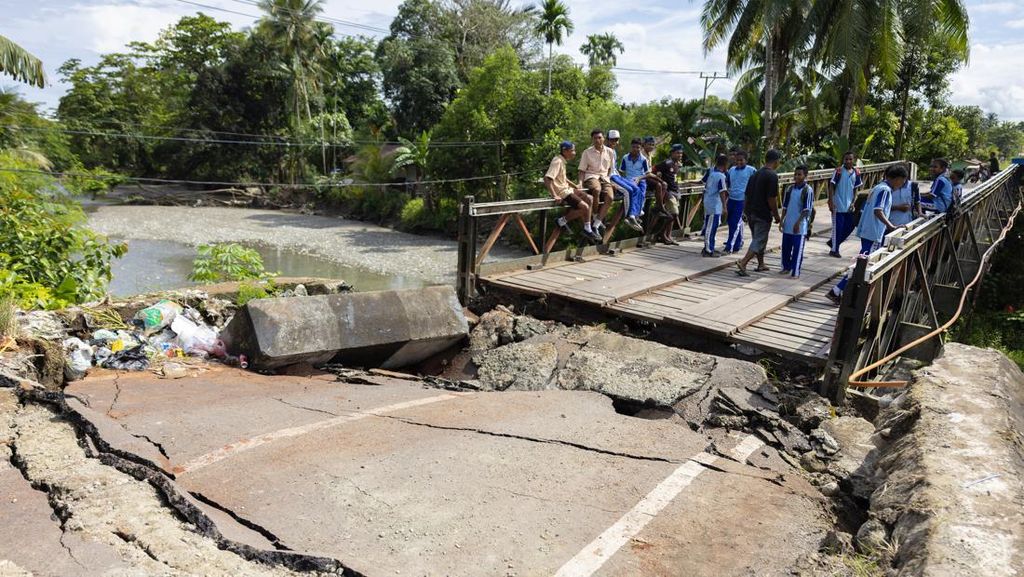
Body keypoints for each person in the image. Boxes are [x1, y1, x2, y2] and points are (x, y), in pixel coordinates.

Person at [826, 165, 909, 305]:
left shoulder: (877, 187)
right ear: (897, 179)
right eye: (902, 181)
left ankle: (840, 291)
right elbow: (878, 210)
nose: (902, 185)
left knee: (862, 262)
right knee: (862, 264)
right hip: (873, 232)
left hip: (867, 230)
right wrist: (891, 226)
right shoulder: (885, 190)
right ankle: (837, 290)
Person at [736, 149, 783, 276]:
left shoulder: (755, 174)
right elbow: (771, 198)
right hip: (762, 213)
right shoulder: (772, 176)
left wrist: (745, 211)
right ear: (776, 161)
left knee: (757, 239)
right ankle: (743, 262)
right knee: (759, 239)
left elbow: (746, 194)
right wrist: (776, 215)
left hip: (751, 212)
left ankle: (761, 264)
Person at [544, 141, 602, 243]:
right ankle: (562, 220)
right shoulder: (557, 161)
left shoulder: (562, 160)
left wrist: (576, 186)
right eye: (572, 150)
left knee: (590, 198)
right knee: (585, 207)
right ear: (565, 151)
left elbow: (564, 178)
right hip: (562, 192)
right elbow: (547, 178)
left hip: (567, 188)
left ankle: (587, 228)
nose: (574, 153)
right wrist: (554, 195)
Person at [577, 129, 615, 234]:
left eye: (600, 137)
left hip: (604, 177)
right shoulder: (587, 152)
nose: (598, 140)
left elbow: (610, 169)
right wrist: (580, 183)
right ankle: (594, 214)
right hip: (591, 176)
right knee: (596, 189)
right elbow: (581, 170)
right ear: (592, 139)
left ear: (603, 139)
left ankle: (596, 224)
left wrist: (609, 179)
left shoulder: (610, 152)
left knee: (610, 197)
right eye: (595, 138)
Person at [779, 165, 814, 277]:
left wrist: (798, 222)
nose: (796, 176)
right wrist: (781, 220)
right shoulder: (789, 189)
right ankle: (785, 267)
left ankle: (795, 271)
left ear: (805, 176)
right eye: (795, 174)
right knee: (786, 247)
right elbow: (785, 206)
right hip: (788, 223)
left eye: (799, 174)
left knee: (797, 249)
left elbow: (807, 210)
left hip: (800, 225)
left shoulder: (807, 190)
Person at [827, 151, 863, 258]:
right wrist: (831, 201)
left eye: (850, 159)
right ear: (843, 160)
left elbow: (856, 188)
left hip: (849, 206)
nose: (848, 161)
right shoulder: (838, 171)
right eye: (846, 159)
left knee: (850, 226)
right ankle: (834, 250)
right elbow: (831, 186)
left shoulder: (856, 172)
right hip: (838, 204)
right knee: (838, 227)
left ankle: (833, 242)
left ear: (854, 160)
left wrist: (853, 202)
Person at [617, 138, 652, 232]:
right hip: (629, 180)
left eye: (638, 147)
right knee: (635, 191)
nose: (635, 149)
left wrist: (639, 178)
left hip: (640, 179)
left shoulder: (644, 159)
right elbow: (621, 171)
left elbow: (648, 173)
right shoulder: (625, 158)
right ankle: (634, 215)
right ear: (631, 147)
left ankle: (634, 215)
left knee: (642, 191)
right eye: (633, 147)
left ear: (640, 148)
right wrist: (622, 182)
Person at [725, 150, 757, 253]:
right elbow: (728, 183)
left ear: (746, 160)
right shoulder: (731, 170)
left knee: (736, 223)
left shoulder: (751, 170)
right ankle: (738, 242)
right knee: (731, 222)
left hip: (743, 200)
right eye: (737, 160)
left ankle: (730, 246)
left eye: (741, 160)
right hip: (731, 199)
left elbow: (756, 185)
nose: (739, 162)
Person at [654, 144, 685, 245]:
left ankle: (668, 236)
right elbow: (654, 170)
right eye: (677, 153)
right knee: (674, 213)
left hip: (676, 192)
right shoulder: (666, 163)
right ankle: (661, 234)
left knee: (672, 214)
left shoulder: (678, 164)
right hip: (668, 192)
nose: (680, 155)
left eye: (681, 153)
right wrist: (660, 183)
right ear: (672, 153)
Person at [702, 154, 730, 257]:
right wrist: (725, 206)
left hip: (710, 202)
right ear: (725, 165)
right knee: (710, 227)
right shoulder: (721, 176)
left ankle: (710, 247)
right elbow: (722, 192)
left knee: (712, 226)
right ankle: (708, 249)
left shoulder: (712, 173)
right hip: (714, 205)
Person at [641, 136, 668, 212]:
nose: (651, 146)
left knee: (664, 185)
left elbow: (649, 169)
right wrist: (657, 177)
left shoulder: (649, 154)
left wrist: (656, 173)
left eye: (653, 145)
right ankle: (660, 207)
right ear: (644, 144)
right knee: (660, 184)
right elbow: (646, 172)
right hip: (642, 177)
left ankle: (658, 206)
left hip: (648, 176)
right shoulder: (642, 155)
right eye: (649, 144)